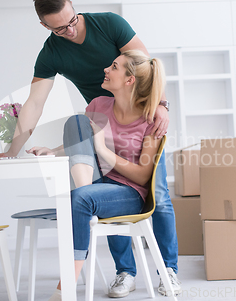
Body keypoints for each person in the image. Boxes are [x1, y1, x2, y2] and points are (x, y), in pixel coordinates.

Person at [0, 0, 181, 297]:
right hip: (104, 118)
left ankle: (169, 270)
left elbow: (144, 64)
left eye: (72, 21)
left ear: (73, 7)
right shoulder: (52, 53)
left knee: (158, 195)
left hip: (139, 115)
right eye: (59, 28)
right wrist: (9, 152)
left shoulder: (109, 24)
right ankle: (125, 271)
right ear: (45, 26)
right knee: (101, 187)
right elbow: (34, 104)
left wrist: (161, 105)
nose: (69, 31)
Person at [35, 50, 164, 301]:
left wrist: (103, 151)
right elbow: (83, 141)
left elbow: (142, 176)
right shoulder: (98, 105)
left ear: (129, 80)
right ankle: (85, 197)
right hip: (96, 182)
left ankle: (66, 287)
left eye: (114, 66)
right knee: (76, 122)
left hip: (128, 192)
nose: (106, 69)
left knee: (80, 199)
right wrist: (53, 150)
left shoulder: (150, 119)